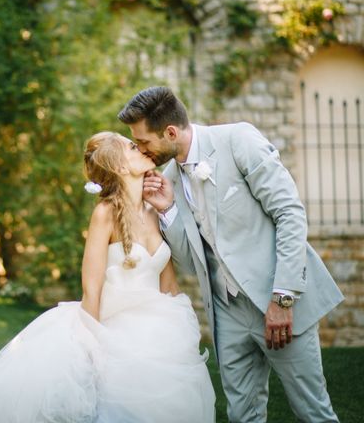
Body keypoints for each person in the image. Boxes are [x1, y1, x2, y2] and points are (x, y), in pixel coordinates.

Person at [0, 131, 215, 423]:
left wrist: (178, 333)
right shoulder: (105, 214)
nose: (141, 147)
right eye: (132, 146)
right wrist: (90, 351)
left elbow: (168, 284)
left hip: (158, 334)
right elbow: (91, 289)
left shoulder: (155, 211)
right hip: (114, 334)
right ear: (118, 166)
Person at [118, 86, 344, 422]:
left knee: (313, 411)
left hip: (279, 304)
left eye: (144, 141)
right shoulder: (167, 180)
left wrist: (283, 298)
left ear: (170, 132)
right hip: (226, 314)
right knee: (242, 415)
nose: (140, 149)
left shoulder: (238, 140)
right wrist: (168, 211)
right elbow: (189, 263)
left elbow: (290, 214)